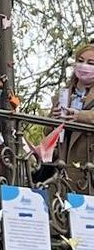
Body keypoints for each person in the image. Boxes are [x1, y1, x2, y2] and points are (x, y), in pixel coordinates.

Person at [52, 43, 94, 192]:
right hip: (61, 168)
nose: (84, 66)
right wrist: (53, 120)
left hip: (88, 168)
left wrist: (79, 116)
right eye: (81, 61)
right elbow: (48, 133)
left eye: (91, 63)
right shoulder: (62, 95)